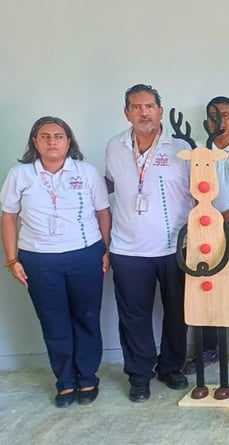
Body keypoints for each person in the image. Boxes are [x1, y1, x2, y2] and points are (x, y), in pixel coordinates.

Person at [1, 117, 110, 407]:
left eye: (59, 136)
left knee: (87, 317)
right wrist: (12, 260)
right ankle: (65, 382)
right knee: (53, 321)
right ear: (34, 142)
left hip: (85, 254)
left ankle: (87, 378)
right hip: (38, 259)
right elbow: (9, 217)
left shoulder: (86, 172)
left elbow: (103, 213)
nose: (52, 141)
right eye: (45, 136)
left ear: (68, 141)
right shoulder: (19, 175)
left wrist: (106, 250)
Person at [105, 84, 194, 403]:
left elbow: (200, 192)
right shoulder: (114, 147)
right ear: (126, 112)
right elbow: (111, 188)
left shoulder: (182, 148)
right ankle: (139, 375)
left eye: (149, 106)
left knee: (177, 313)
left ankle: (171, 367)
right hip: (127, 248)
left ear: (160, 110)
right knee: (133, 317)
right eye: (136, 107)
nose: (144, 112)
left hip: (175, 247)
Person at [181, 96, 229, 375]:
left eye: (224, 115)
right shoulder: (199, 153)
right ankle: (208, 349)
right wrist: (206, 221)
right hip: (205, 231)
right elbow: (191, 191)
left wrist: (223, 218)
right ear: (207, 121)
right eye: (213, 116)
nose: (219, 121)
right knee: (207, 290)